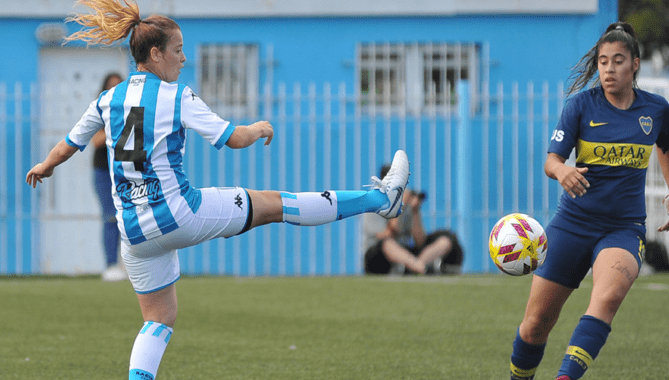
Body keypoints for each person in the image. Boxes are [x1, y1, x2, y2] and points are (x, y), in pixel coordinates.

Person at [25, 0, 409, 378]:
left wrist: (44, 166)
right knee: (276, 205)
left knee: (158, 320)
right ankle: (381, 200)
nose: (183, 59)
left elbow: (68, 145)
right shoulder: (176, 96)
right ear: (156, 54)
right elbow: (232, 138)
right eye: (178, 51)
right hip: (179, 214)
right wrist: (258, 127)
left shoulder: (108, 99)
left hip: (135, 234)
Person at [507, 22, 669, 380]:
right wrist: (561, 171)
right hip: (572, 225)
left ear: (635, 64)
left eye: (618, 61)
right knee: (535, 325)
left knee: (606, 300)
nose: (609, 69)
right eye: (603, 62)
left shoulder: (655, 109)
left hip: (623, 228)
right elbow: (551, 160)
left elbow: (666, 144)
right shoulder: (580, 106)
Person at [362, 165, 463, 275]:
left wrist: (415, 210)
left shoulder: (407, 206)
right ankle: (420, 267)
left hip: (405, 252)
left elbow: (420, 241)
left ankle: (415, 266)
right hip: (379, 256)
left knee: (445, 239)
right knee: (387, 244)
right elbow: (386, 235)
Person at [92, 72, 128, 282]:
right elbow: (96, 141)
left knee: (131, 217)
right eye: (110, 87)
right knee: (110, 216)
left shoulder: (131, 111)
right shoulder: (99, 112)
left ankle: (131, 265)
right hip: (104, 172)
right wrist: (115, 125)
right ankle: (111, 265)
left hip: (126, 171)